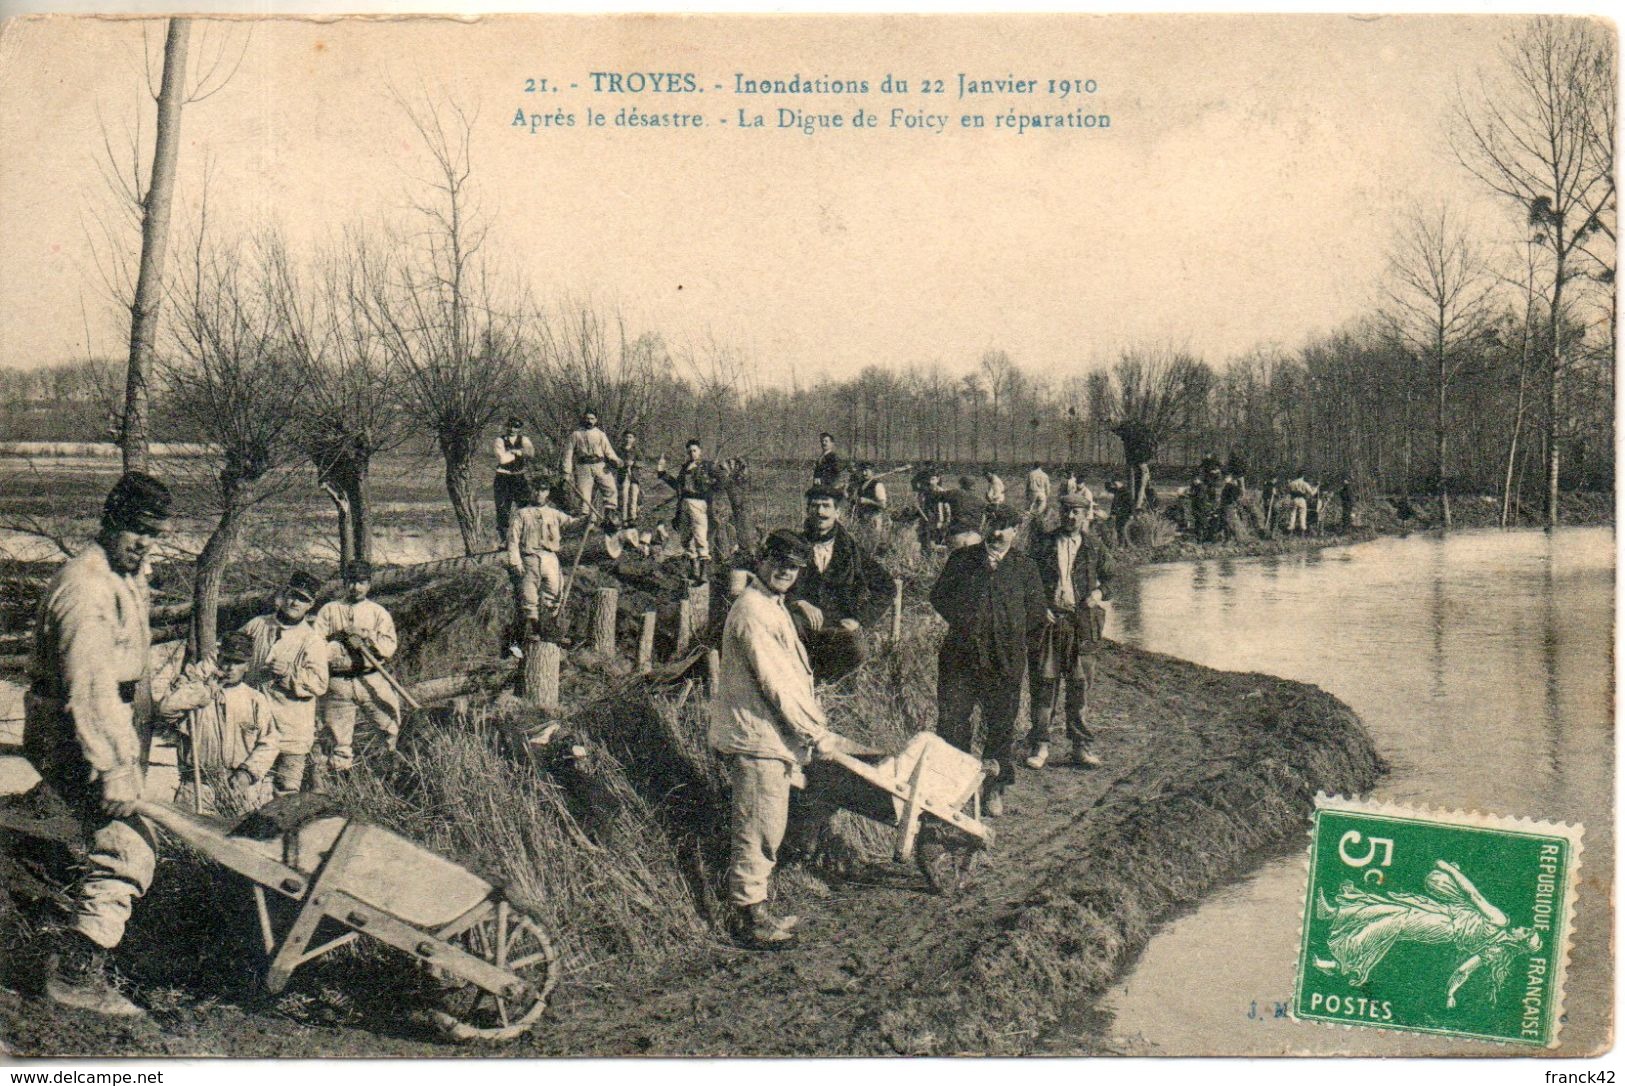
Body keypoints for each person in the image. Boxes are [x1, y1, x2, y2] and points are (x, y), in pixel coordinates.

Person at [22, 472, 171, 1016]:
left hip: (105, 718)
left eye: (154, 533)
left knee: (125, 835)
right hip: (74, 730)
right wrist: (113, 767)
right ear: (108, 523)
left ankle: (78, 936)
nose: (145, 543)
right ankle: (74, 974)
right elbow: (89, 688)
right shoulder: (85, 589)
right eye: (134, 530)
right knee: (130, 846)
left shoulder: (123, 573)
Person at [710, 530, 843, 949]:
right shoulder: (753, 610)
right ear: (763, 559)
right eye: (780, 561)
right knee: (758, 828)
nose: (786, 571)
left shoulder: (772, 605)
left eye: (795, 566)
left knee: (770, 824)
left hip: (771, 737)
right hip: (757, 736)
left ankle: (758, 906)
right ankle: (748, 920)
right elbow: (777, 685)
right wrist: (814, 732)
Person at [928, 505, 1047, 817]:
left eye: (1006, 526)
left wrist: (1011, 639)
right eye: (993, 524)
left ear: (1016, 531)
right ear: (984, 524)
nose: (998, 532)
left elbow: (1036, 615)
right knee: (953, 722)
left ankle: (994, 788)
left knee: (1000, 726)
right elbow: (938, 596)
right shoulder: (963, 560)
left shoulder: (1025, 567)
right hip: (961, 658)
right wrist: (967, 621)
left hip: (1004, 662)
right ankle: (954, 785)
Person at [1025, 491, 1113, 770]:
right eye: (1066, 511)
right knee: (1044, 685)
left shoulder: (1094, 546)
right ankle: (1040, 745)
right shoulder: (1043, 544)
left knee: (1079, 687)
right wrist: (1039, 606)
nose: (1071, 516)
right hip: (1049, 624)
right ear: (1060, 513)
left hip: (1082, 625)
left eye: (1077, 511)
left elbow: (1112, 576)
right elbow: (1027, 580)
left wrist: (1098, 593)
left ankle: (1081, 747)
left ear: (1086, 515)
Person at [156, 629, 279, 814]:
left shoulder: (255, 700)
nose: (230, 668)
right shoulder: (196, 693)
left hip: (238, 788)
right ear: (218, 660)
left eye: (238, 662)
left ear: (247, 666)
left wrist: (247, 773)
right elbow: (166, 709)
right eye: (227, 660)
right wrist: (204, 692)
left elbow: (270, 742)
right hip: (197, 787)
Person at [787, 484, 895, 681]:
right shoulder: (795, 545)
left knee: (856, 652)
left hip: (839, 626)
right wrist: (799, 602)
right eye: (814, 506)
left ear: (837, 512)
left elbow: (886, 587)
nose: (820, 511)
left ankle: (833, 695)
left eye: (826, 506)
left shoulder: (851, 550)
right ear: (808, 510)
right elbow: (775, 583)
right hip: (800, 626)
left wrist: (860, 619)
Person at [240, 571, 331, 797]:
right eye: (292, 595)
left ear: (310, 605)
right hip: (253, 724)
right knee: (245, 787)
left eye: (302, 599)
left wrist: (289, 674)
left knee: (286, 794)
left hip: (291, 730)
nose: (294, 602)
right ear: (283, 595)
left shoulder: (312, 640)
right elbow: (228, 653)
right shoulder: (257, 626)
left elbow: (320, 684)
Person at [313, 559, 400, 773]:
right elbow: (315, 647)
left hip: (371, 678)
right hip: (338, 682)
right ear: (344, 583)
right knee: (338, 740)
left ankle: (389, 775)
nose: (356, 588)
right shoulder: (330, 610)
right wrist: (339, 642)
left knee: (390, 728)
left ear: (369, 584)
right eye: (351, 582)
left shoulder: (378, 612)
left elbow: (389, 647)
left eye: (361, 582)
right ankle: (342, 784)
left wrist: (368, 639)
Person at [507, 477, 585, 637]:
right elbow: (513, 539)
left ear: (547, 493)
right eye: (536, 489)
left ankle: (550, 631)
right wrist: (515, 561)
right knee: (529, 596)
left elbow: (572, 524)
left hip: (550, 558)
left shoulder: (554, 514)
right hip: (530, 558)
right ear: (531, 491)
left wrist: (586, 521)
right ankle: (534, 631)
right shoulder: (521, 514)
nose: (539, 493)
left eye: (543, 490)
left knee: (555, 593)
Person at [658, 439, 713, 584]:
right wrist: (663, 474)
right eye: (689, 451)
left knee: (700, 535)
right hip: (684, 503)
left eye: (695, 450)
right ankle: (693, 569)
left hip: (699, 502)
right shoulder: (684, 468)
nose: (692, 453)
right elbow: (677, 486)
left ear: (700, 451)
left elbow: (717, 483)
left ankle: (703, 572)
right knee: (685, 537)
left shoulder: (706, 467)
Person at [562, 409, 623, 524]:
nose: (589, 421)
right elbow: (568, 453)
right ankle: (587, 521)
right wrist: (566, 471)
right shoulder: (576, 434)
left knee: (610, 488)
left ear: (596, 420)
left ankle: (610, 518)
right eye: (587, 418)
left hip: (600, 465)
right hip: (583, 466)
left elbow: (608, 450)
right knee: (584, 494)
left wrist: (616, 460)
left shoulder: (600, 434)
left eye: (592, 419)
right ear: (583, 419)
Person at [492, 416, 535, 544]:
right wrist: (518, 453)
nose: (512, 429)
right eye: (510, 426)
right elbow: (502, 459)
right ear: (506, 427)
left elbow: (531, 453)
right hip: (503, 477)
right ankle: (505, 540)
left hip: (519, 477)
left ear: (519, 428)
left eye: (516, 427)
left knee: (525, 507)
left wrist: (520, 452)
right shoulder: (499, 440)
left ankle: (527, 537)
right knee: (503, 508)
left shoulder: (524, 439)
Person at [1110, 418, 1157, 509]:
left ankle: (1138, 507)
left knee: (1140, 488)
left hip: (1139, 465)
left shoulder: (1135, 444)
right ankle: (1137, 506)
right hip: (1139, 466)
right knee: (1139, 487)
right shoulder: (1137, 441)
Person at [946, 474, 988, 549]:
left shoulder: (955, 494)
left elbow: (937, 496)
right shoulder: (980, 501)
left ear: (961, 485)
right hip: (974, 536)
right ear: (974, 486)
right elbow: (985, 518)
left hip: (957, 534)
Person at [618, 430, 644, 524]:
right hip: (623, 475)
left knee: (634, 497)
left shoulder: (636, 450)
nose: (628, 439)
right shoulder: (619, 450)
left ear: (634, 439)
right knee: (624, 497)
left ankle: (633, 518)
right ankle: (624, 519)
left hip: (634, 477)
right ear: (623, 438)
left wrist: (634, 463)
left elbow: (642, 462)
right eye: (626, 437)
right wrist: (622, 463)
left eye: (630, 437)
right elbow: (614, 461)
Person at [853, 462, 888, 531]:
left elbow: (883, 505)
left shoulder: (878, 485)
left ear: (872, 471)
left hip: (874, 520)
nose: (864, 473)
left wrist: (868, 501)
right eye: (862, 471)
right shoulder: (860, 485)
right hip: (862, 521)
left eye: (866, 470)